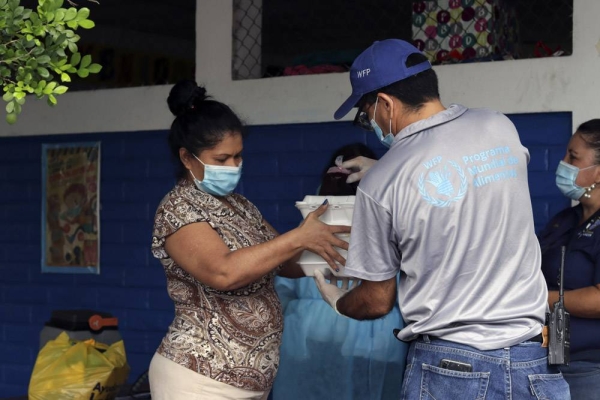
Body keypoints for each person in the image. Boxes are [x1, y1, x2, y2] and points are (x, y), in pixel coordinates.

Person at [314, 39, 571, 399]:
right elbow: (473, 175)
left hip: (451, 369)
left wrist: (337, 300)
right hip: (535, 361)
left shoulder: (380, 184)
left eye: (365, 112)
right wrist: (401, 170)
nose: (368, 122)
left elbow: (376, 300)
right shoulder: (498, 126)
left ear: (385, 104)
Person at [149, 80, 350, 400]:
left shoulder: (240, 206)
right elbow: (223, 273)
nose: (233, 167)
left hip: (250, 383)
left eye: (238, 157)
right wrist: (299, 237)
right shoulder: (178, 210)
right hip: (198, 381)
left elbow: (285, 264)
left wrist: (329, 244)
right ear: (187, 158)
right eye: (222, 159)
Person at [272, 143, 407, 400]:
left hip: (306, 339)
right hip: (372, 337)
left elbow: (282, 287)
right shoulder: (390, 226)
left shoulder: (308, 226)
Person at [538, 119, 600, 399]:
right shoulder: (563, 220)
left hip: (591, 369)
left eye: (573, 157)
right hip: (550, 361)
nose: (562, 163)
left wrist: (540, 297)